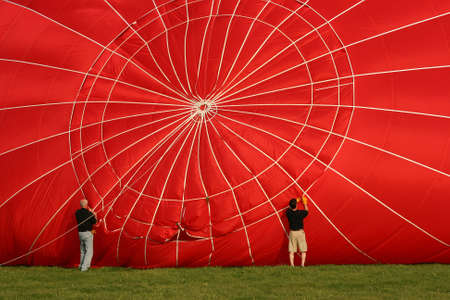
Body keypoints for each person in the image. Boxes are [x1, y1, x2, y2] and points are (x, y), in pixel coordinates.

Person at [286, 195, 309, 267]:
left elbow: (288, 208)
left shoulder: (288, 213)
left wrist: (295, 201)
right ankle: (302, 264)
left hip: (292, 233)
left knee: (291, 250)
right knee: (303, 250)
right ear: (296, 205)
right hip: (300, 232)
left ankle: (292, 265)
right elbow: (307, 211)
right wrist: (305, 203)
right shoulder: (300, 213)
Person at [75, 199, 97, 271]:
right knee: (89, 251)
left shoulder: (77, 212)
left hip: (80, 233)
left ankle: (81, 265)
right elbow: (94, 222)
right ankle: (84, 267)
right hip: (88, 233)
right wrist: (94, 215)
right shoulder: (89, 213)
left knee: (83, 250)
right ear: (87, 205)